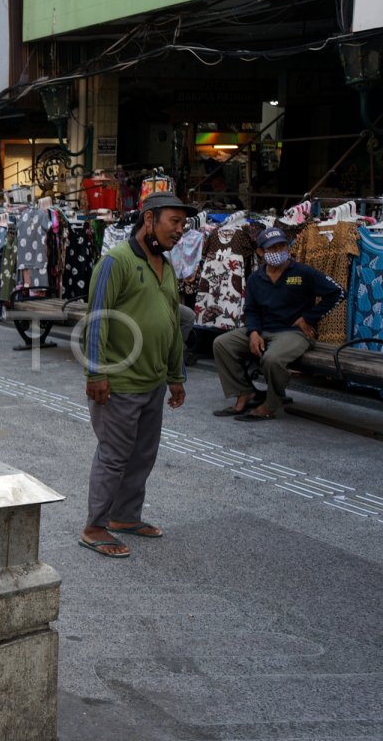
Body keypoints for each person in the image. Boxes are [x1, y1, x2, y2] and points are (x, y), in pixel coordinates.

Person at [79, 191, 192, 559]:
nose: (180, 230)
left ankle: (125, 516)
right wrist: (95, 373)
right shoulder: (117, 261)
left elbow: (173, 324)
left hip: (153, 381)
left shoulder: (167, 266)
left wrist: (176, 376)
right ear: (149, 220)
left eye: (183, 223)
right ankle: (95, 526)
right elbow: (97, 318)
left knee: (143, 455)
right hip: (120, 382)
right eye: (174, 222)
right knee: (114, 455)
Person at [211, 227, 343, 421]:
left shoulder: (302, 272)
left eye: (282, 246)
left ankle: (272, 403)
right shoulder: (256, 278)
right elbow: (252, 309)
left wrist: (309, 318)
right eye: (272, 248)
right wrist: (254, 332)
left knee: (272, 359)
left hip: (293, 332)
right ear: (260, 252)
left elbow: (338, 292)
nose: (278, 251)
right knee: (222, 344)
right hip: (263, 329)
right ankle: (244, 392)